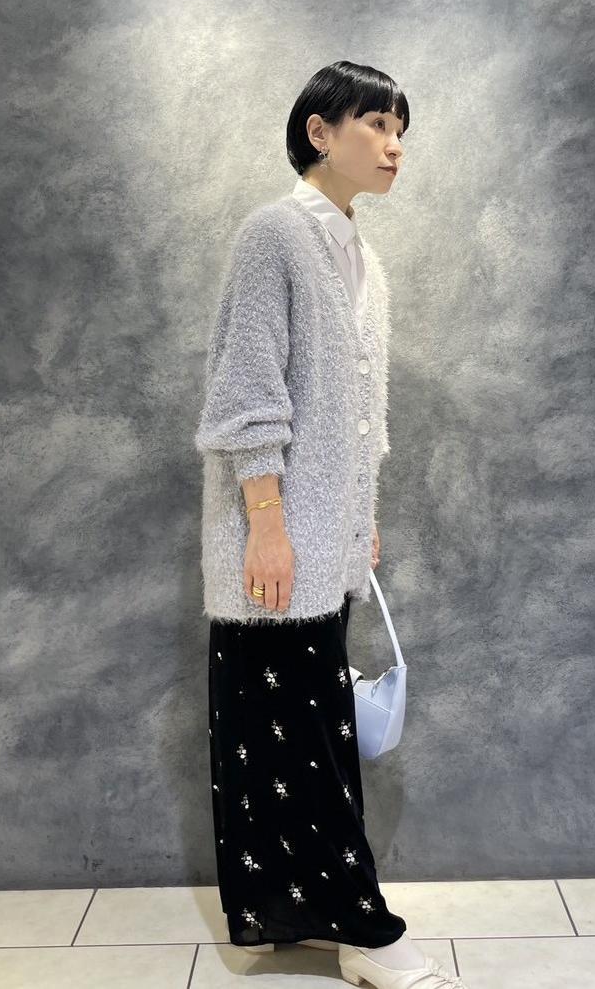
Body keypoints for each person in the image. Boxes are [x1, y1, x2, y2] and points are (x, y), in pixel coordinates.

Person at [195, 61, 468, 989]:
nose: (394, 147)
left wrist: (360, 522)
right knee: (293, 739)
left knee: (297, 732)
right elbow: (246, 395)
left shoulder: (362, 259)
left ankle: (298, 916)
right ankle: (366, 931)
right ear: (320, 131)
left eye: (401, 131)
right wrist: (266, 528)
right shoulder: (273, 234)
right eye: (376, 124)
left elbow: (360, 419)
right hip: (271, 543)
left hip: (325, 541)